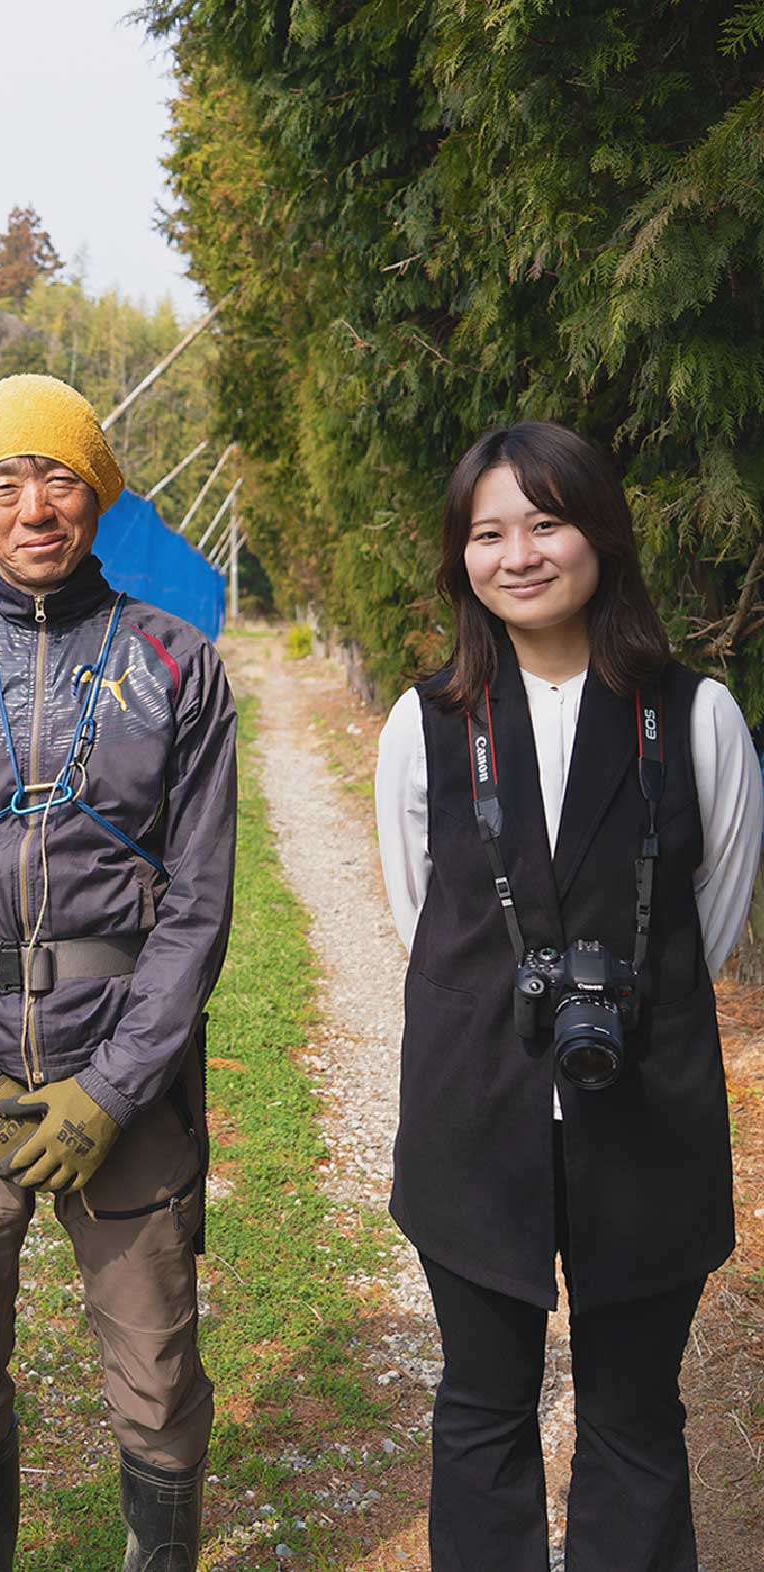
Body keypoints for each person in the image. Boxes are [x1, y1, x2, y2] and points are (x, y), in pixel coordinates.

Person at [0, 374, 236, 1571]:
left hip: (124, 1073)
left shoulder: (179, 666)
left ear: (96, 496)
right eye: (4, 481)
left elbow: (200, 903)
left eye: (58, 476)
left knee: (158, 1370)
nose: (32, 506)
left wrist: (114, 1088)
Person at [375, 421, 763, 1571]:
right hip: (472, 1116)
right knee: (480, 1410)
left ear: (599, 533)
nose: (520, 554)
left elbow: (713, 915)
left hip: (648, 1112)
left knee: (635, 1419)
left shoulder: (691, 717)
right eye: (488, 532)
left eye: (546, 522)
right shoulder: (425, 724)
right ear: (460, 560)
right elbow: (425, 921)